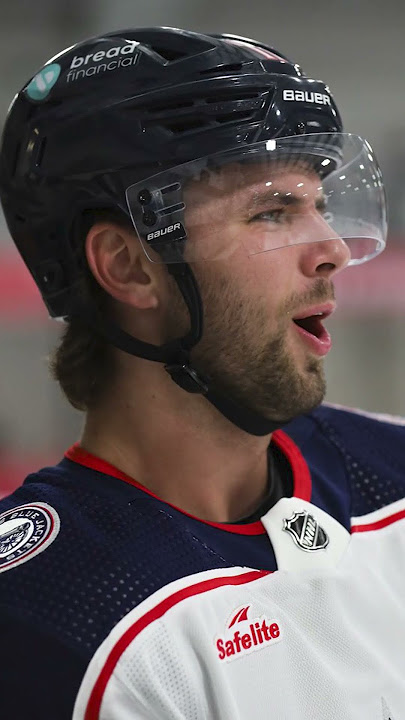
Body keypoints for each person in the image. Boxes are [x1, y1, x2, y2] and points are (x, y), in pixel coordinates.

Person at [0, 26, 403, 720]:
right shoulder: (45, 617)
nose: (331, 249)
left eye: (319, 204)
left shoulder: (391, 469)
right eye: (273, 212)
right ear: (128, 267)